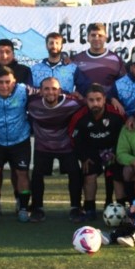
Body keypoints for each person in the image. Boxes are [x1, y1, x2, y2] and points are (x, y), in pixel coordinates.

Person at [0, 66, 37, 223]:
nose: (4, 86)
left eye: (8, 82)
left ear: (14, 81)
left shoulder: (24, 90)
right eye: (0, 82)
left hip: (20, 140)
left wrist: (75, 96)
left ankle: (23, 208)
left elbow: (47, 91)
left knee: (22, 174)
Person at [28, 77, 85, 222]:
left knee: (75, 173)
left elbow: (89, 104)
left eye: (54, 89)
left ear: (60, 90)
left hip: (66, 146)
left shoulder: (72, 103)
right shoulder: (31, 103)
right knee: (37, 175)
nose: (50, 92)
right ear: (40, 91)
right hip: (43, 146)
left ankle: (75, 208)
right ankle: (37, 208)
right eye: (46, 89)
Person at [69, 83, 125, 222]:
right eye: (91, 100)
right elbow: (74, 139)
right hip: (91, 152)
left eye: (98, 99)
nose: (95, 103)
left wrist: (118, 153)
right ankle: (89, 209)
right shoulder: (79, 117)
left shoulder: (116, 114)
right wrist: (83, 158)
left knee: (116, 174)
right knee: (89, 174)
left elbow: (125, 135)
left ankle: (120, 207)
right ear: (86, 101)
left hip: (113, 150)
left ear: (104, 99)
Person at [72, 22, 126, 93]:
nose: (96, 38)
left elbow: (123, 86)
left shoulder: (116, 59)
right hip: (83, 103)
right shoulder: (77, 59)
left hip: (108, 103)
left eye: (100, 35)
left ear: (105, 38)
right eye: (93, 35)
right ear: (88, 38)